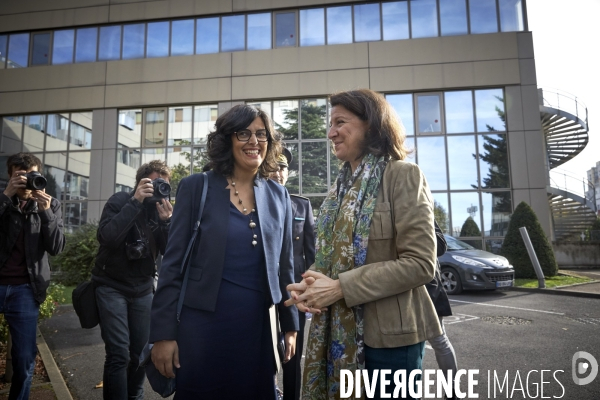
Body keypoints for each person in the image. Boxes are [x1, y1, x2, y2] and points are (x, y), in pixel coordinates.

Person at [285, 89, 442, 400]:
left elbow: (422, 264)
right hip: (334, 333)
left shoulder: (403, 175)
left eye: (340, 122)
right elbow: (333, 259)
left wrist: (340, 288)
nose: (331, 133)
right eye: (330, 124)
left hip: (389, 341)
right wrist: (311, 283)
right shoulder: (337, 190)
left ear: (371, 124)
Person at [149, 104, 299, 399]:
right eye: (244, 133)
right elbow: (172, 264)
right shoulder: (196, 187)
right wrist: (163, 335)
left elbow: (285, 266)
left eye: (261, 134)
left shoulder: (278, 194)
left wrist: (290, 324)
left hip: (256, 331)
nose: (254, 141)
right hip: (202, 331)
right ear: (227, 140)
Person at [91, 160, 172, 400]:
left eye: (164, 185)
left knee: (140, 353)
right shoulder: (119, 201)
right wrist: (135, 202)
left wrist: (167, 223)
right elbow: (107, 237)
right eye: (155, 182)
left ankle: (134, 396)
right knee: (118, 353)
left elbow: (170, 251)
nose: (159, 189)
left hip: (143, 288)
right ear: (140, 182)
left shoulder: (159, 212)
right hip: (111, 285)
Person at [0, 152, 65, 400]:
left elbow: (57, 248)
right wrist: (6, 196)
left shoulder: (50, 205)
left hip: (26, 289)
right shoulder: (2, 199)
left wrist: (46, 212)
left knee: (25, 359)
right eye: (20, 176)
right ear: (10, 176)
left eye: (32, 176)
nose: (27, 182)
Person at [270, 146, 316, 400]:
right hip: (264, 290)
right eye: (274, 167)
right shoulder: (255, 202)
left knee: (292, 354)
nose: (278, 172)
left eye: (283, 167)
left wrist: (309, 290)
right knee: (262, 351)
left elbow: (311, 256)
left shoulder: (302, 205)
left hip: (294, 293)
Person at [427, 221, 458, 399]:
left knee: (439, 341)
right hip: (399, 288)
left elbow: (440, 246)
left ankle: (452, 392)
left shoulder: (420, 205)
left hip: (428, 289)